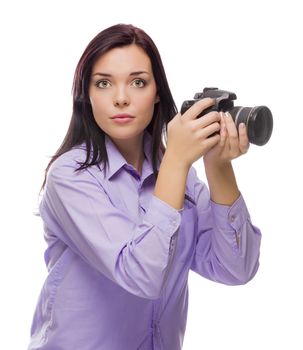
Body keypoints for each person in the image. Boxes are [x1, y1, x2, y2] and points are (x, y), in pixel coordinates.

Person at [28, 23, 262, 350]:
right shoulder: (70, 177)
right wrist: (177, 161)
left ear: (156, 95)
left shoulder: (178, 176)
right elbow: (140, 274)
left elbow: (236, 269)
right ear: (87, 96)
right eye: (104, 83)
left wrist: (217, 165)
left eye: (138, 82)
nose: (121, 98)